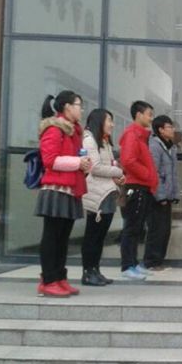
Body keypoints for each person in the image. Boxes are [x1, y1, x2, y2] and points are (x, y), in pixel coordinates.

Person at [35, 91, 90, 298]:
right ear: (67, 107)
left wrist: (83, 165)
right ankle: (48, 280)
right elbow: (49, 160)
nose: (81, 110)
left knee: (62, 238)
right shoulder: (54, 129)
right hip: (56, 189)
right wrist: (78, 162)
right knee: (52, 237)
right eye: (79, 105)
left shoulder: (73, 131)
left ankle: (59, 277)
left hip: (70, 189)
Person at [81, 108, 124, 286]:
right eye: (109, 121)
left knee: (100, 236)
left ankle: (95, 270)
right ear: (99, 121)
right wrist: (118, 172)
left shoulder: (105, 142)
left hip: (107, 192)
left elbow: (109, 165)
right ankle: (88, 272)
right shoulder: (89, 140)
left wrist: (117, 177)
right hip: (97, 195)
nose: (112, 124)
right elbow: (95, 167)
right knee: (93, 235)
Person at [119, 100, 158, 281]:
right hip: (136, 188)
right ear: (139, 114)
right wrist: (147, 175)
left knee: (137, 228)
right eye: (149, 114)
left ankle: (133, 263)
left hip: (143, 187)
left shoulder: (141, 136)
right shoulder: (132, 135)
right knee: (131, 228)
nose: (151, 118)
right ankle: (127, 266)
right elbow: (128, 160)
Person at [144, 115, 180, 272]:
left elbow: (174, 174)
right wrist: (161, 196)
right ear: (160, 130)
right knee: (156, 230)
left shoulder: (171, 147)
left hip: (167, 196)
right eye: (169, 127)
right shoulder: (154, 146)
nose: (173, 130)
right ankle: (151, 262)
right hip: (157, 197)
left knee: (165, 230)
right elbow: (154, 173)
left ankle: (158, 261)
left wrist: (175, 194)